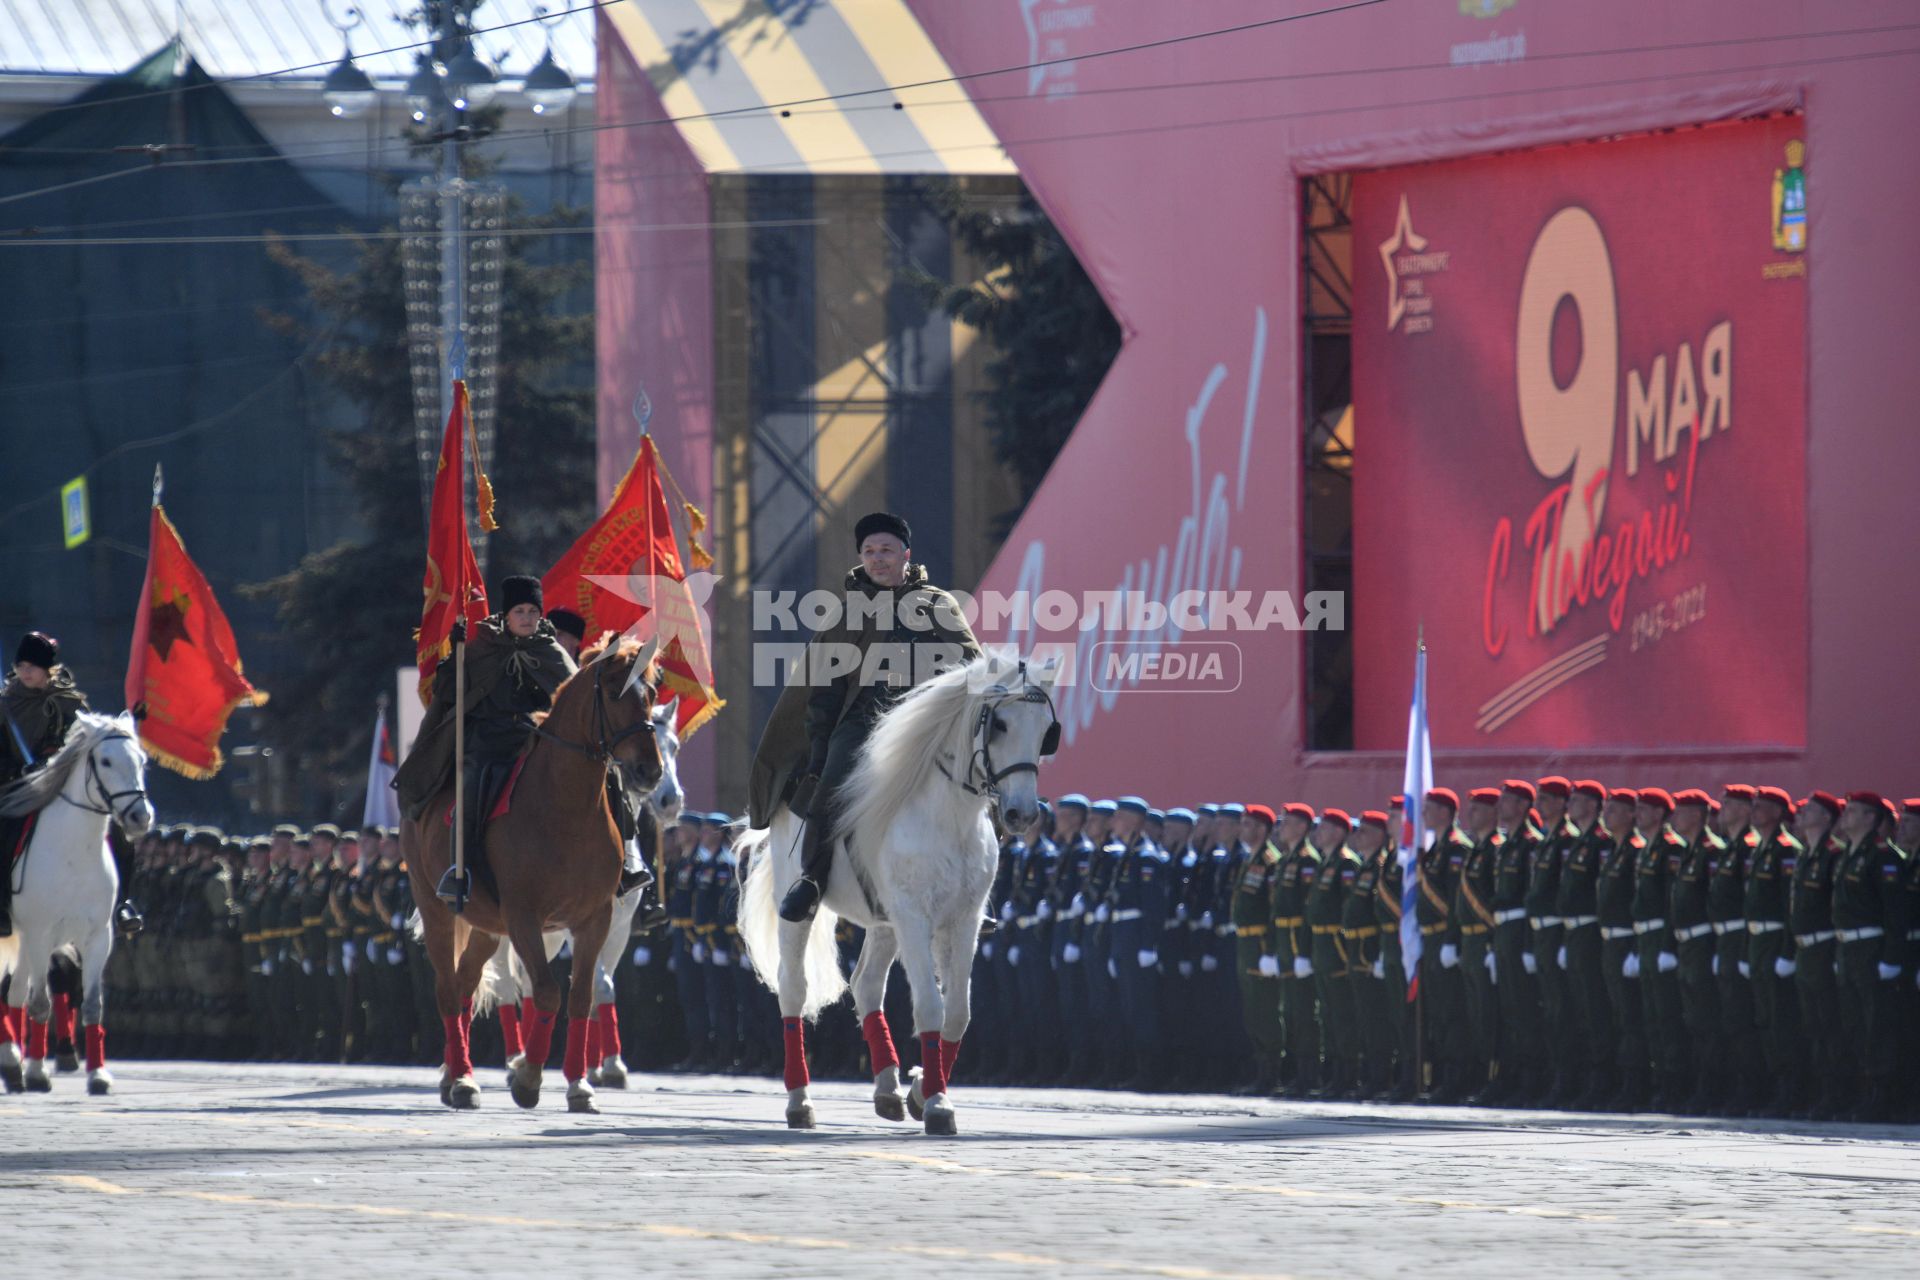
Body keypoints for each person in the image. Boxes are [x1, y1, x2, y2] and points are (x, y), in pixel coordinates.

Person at [745, 512, 981, 923]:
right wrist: (821, 744)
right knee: (830, 786)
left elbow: (973, 669)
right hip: (863, 722)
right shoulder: (844, 613)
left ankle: (974, 888)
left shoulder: (938, 605)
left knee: (981, 780)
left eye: (886, 550)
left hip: (928, 726)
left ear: (905, 555)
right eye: (869, 551)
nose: (878, 559)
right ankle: (813, 880)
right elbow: (823, 686)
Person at [393, 576, 576, 904]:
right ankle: (460, 869)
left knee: (597, 780)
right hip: (488, 742)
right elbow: (448, 693)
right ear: (507, 615)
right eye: (519, 610)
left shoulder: (551, 651)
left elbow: (573, 699)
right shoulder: (483, 647)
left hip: (535, 744)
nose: (526, 617)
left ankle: (620, 866)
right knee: (471, 787)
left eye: (533, 611)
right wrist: (454, 657)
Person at [1, 631, 112, 937]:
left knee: (119, 836)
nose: (26, 671)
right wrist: (18, 769)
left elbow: (89, 746)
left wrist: (58, 764)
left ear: (48, 668)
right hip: (17, 788)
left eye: (33, 666)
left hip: (66, 788)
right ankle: (2, 906)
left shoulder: (70, 704)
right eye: (21, 665)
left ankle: (122, 902)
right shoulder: (5, 706)